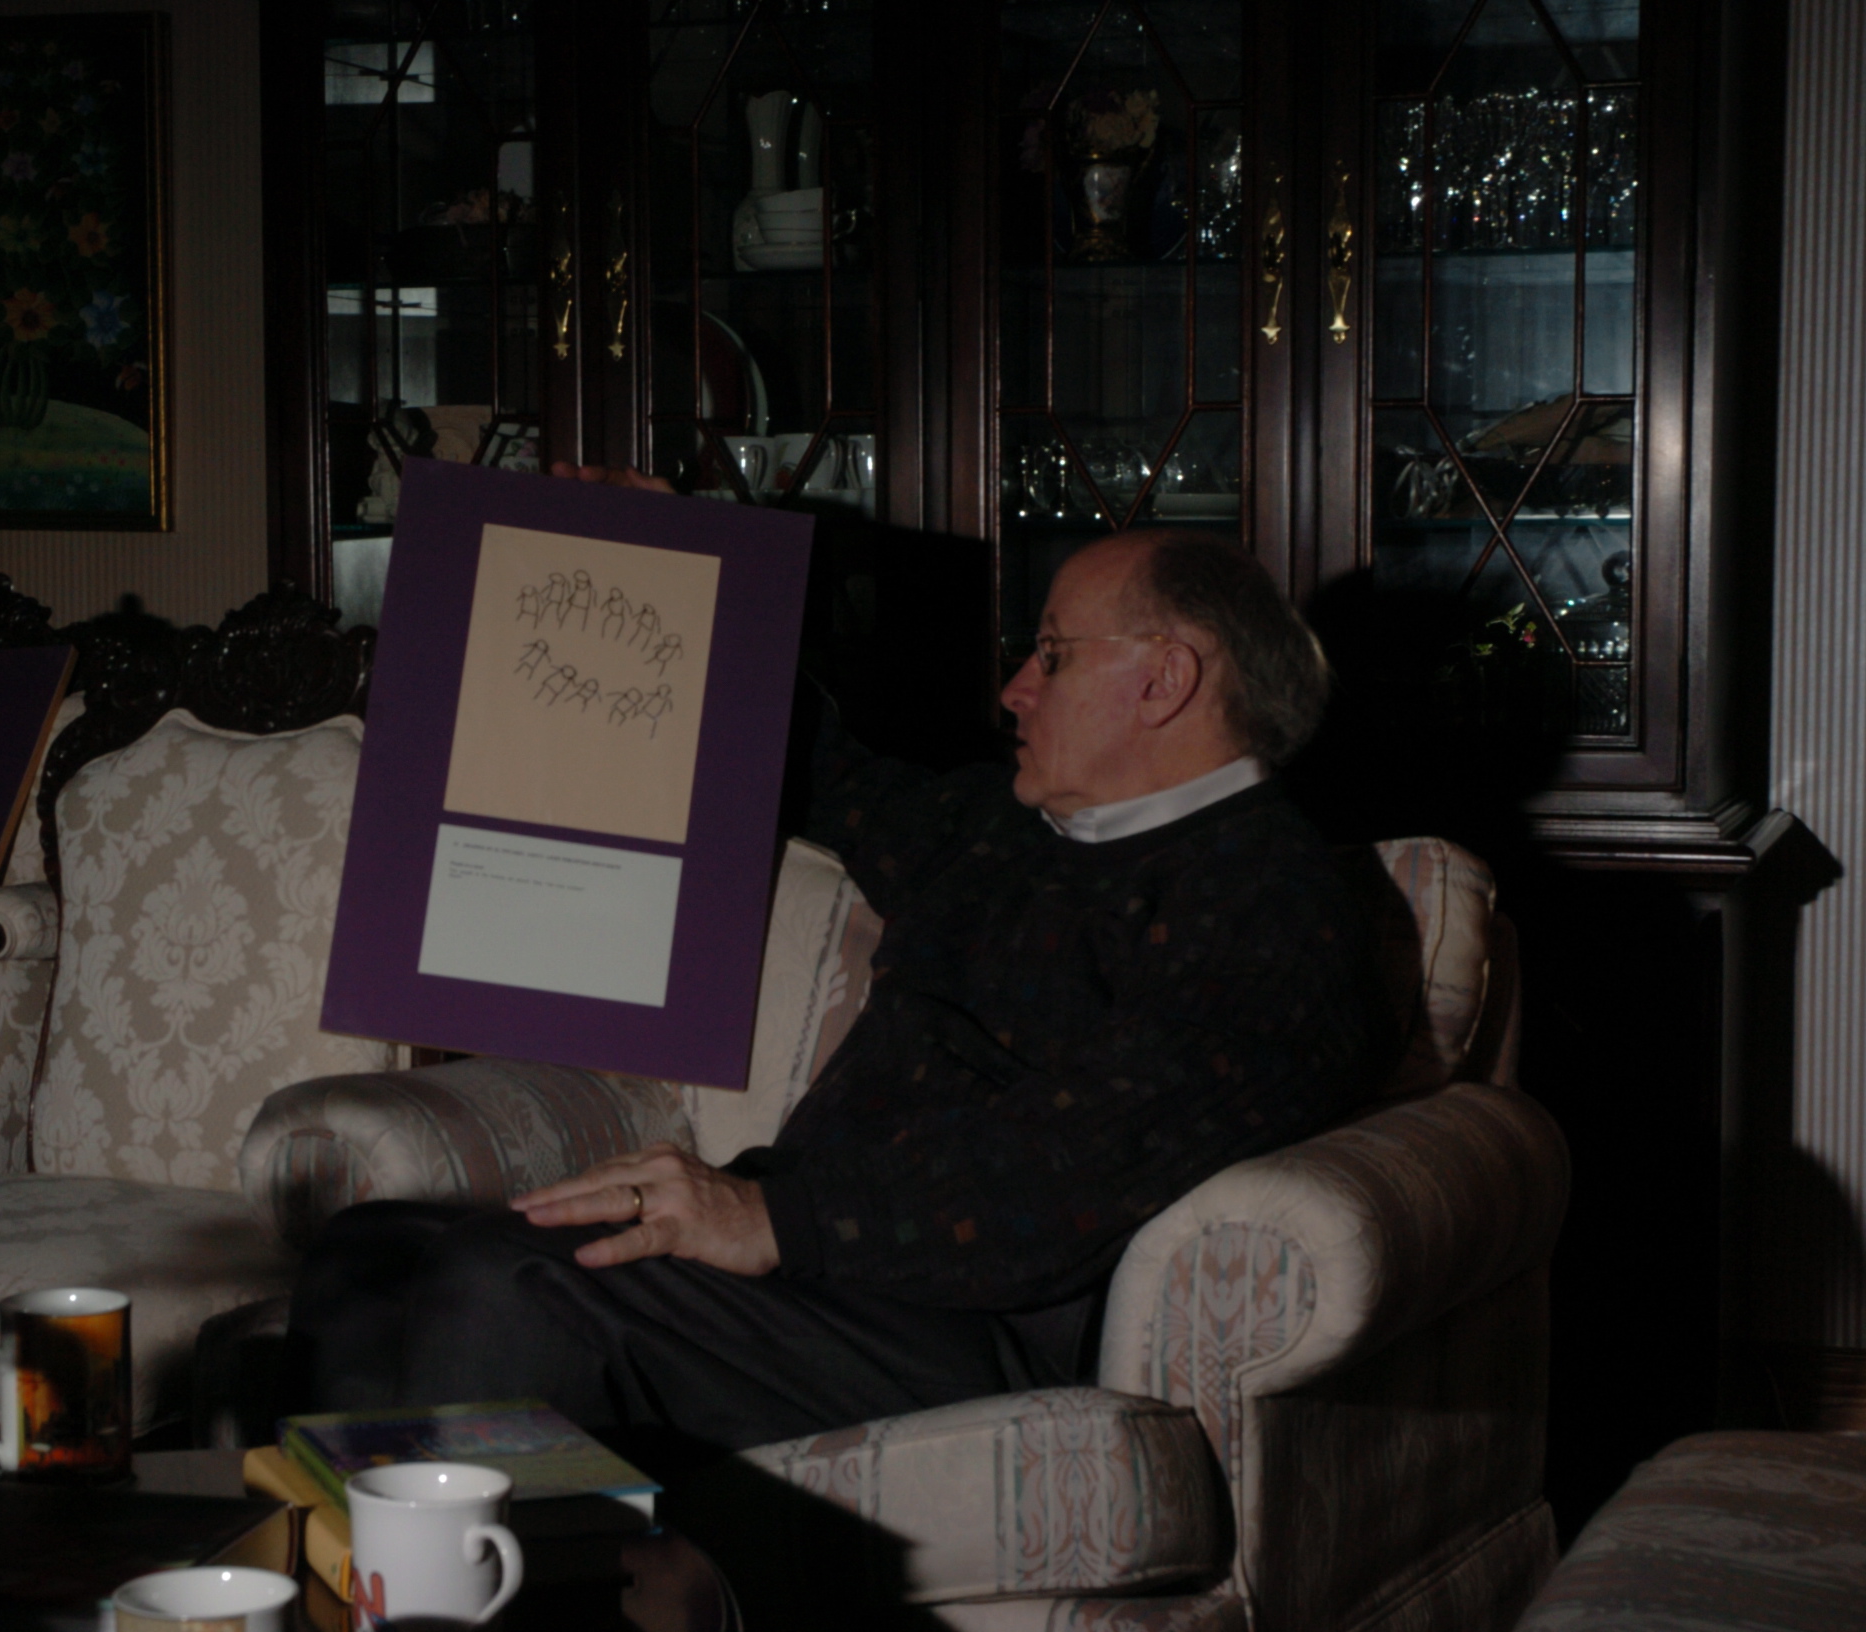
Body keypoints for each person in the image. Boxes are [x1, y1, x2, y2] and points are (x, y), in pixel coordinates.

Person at [281, 516, 1391, 1472]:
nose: (1015, 687)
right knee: (370, 1254)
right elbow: (798, 762)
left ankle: (447, 1597)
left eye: (1052, 655)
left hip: (974, 1322)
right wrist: (668, 556)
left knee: (506, 1285)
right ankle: (353, 1589)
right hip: (824, 1275)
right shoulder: (1007, 828)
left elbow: (1090, 1156)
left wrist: (770, 1217)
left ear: (1165, 678)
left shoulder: (1271, 902)